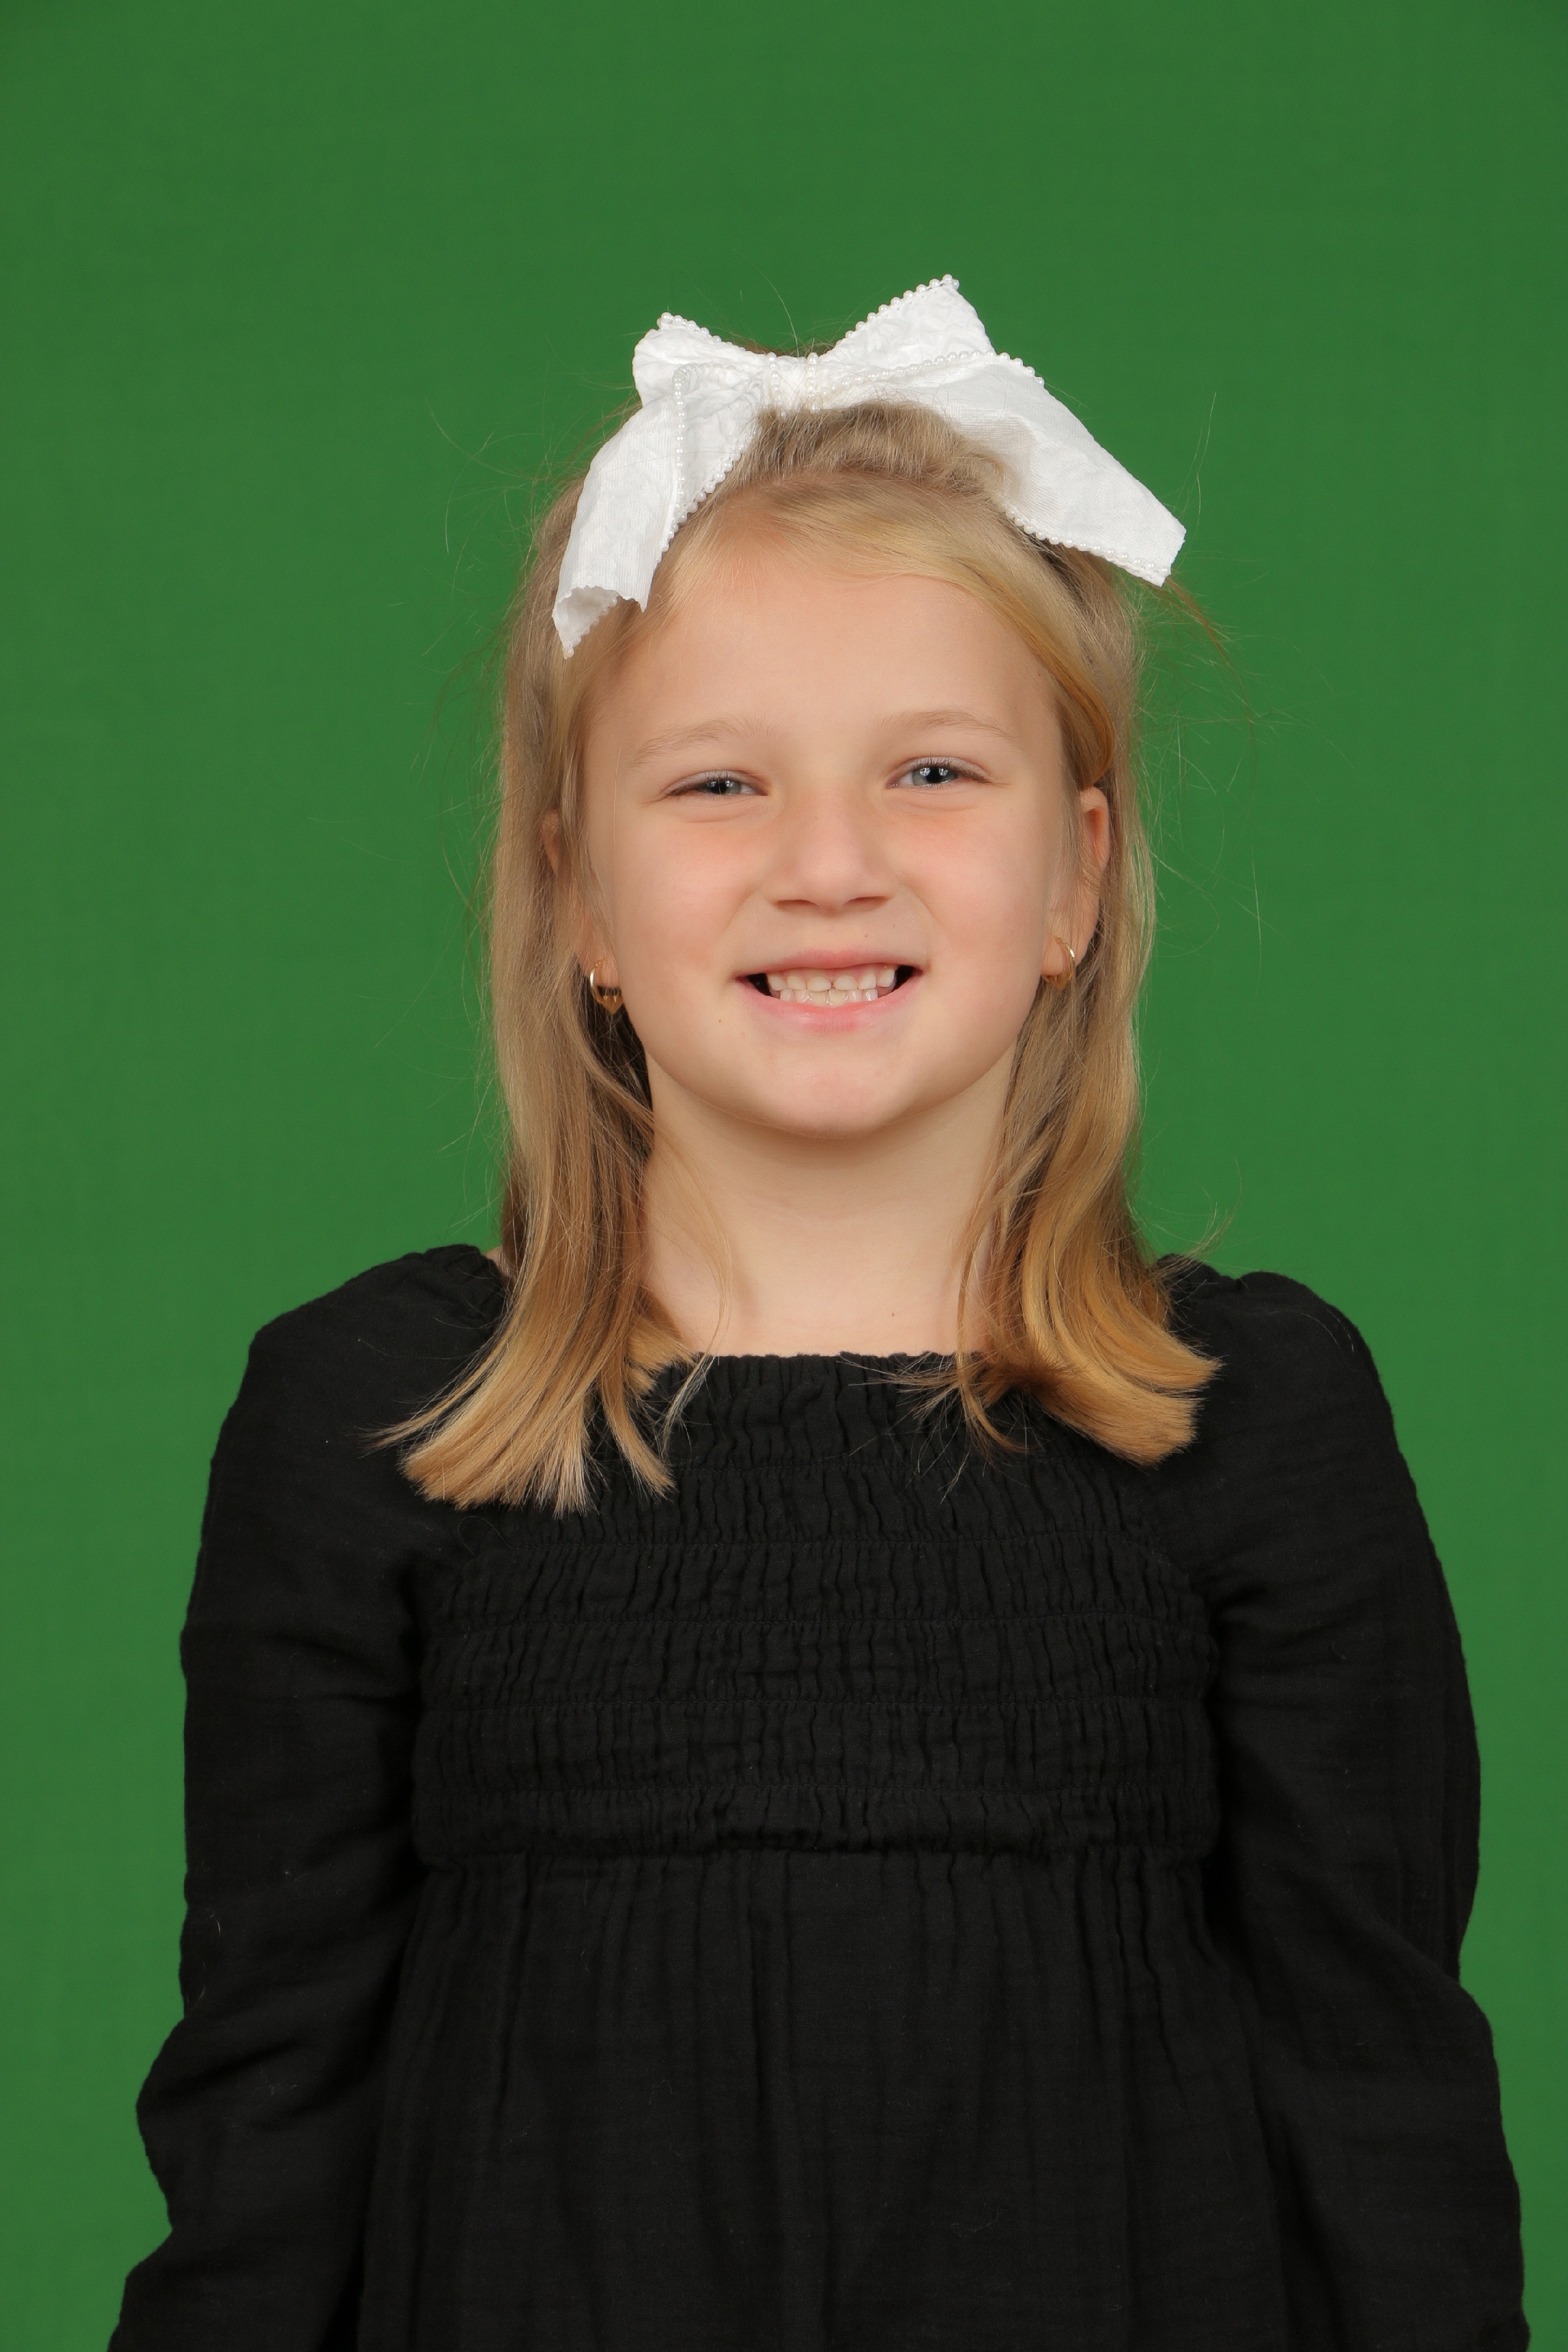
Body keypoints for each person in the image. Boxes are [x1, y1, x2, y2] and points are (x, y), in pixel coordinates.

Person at [110, 279, 1527, 2350]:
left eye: (933, 770)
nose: (831, 864)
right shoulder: (378, 1424)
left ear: (1076, 880)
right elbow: (265, 2149)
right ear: (578, 895)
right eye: (719, 786)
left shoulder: (1253, 1423)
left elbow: (1385, 2144)